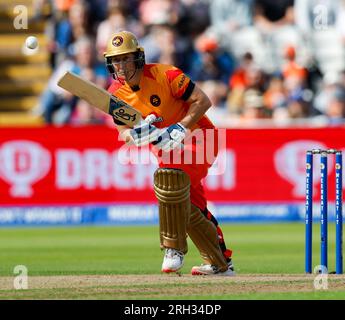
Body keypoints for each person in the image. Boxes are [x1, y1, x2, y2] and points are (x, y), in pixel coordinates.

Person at [103, 30, 234, 276]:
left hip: (199, 137)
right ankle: (220, 263)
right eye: (116, 60)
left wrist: (180, 127)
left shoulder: (165, 74)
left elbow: (203, 101)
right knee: (192, 206)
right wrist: (136, 134)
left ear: (138, 57)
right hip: (166, 150)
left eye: (125, 58)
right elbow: (123, 131)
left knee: (169, 181)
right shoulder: (115, 94)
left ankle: (173, 248)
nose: (120, 65)